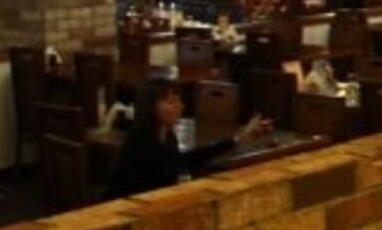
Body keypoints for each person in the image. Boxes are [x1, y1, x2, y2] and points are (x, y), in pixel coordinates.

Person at [105, 84, 272, 198]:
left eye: (179, 101)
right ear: (150, 107)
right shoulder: (141, 138)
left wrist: (241, 138)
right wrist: (238, 138)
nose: (180, 106)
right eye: (171, 102)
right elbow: (184, 161)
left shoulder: (168, 134)